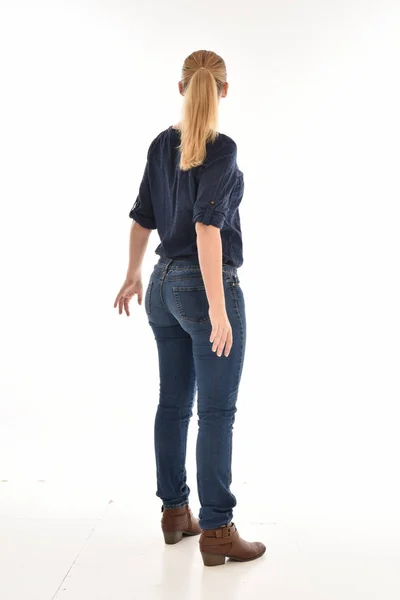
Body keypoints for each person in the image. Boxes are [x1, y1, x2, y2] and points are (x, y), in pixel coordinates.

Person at [114, 49, 265, 567]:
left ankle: (176, 512)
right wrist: (219, 310)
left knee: (173, 403)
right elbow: (206, 228)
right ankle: (219, 531)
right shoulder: (221, 150)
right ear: (224, 91)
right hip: (204, 288)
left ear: (182, 89)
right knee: (216, 412)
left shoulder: (161, 144)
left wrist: (134, 275)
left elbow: (142, 218)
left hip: (160, 287)